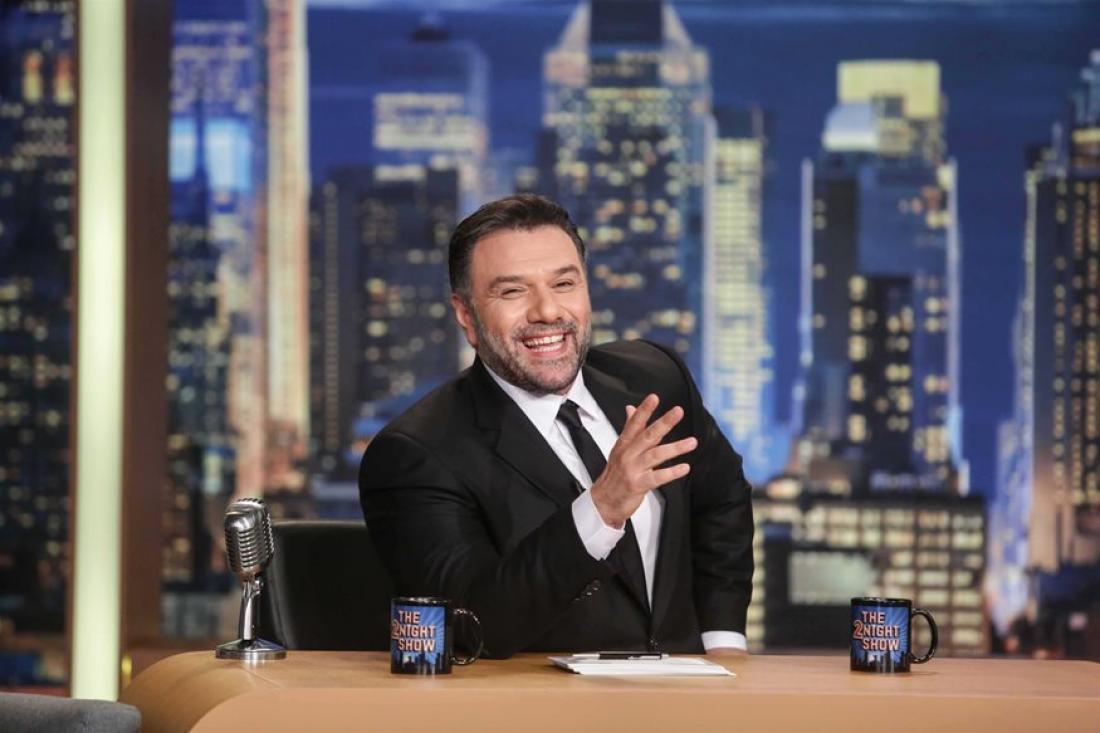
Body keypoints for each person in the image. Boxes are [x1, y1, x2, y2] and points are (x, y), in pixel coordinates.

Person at [359, 194, 754, 658]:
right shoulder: (417, 453)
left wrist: (723, 640)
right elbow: (471, 624)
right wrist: (601, 509)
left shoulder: (655, 377)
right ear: (466, 314)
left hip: (688, 693)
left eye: (564, 283)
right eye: (513, 292)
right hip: (538, 698)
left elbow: (721, 499)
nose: (547, 311)